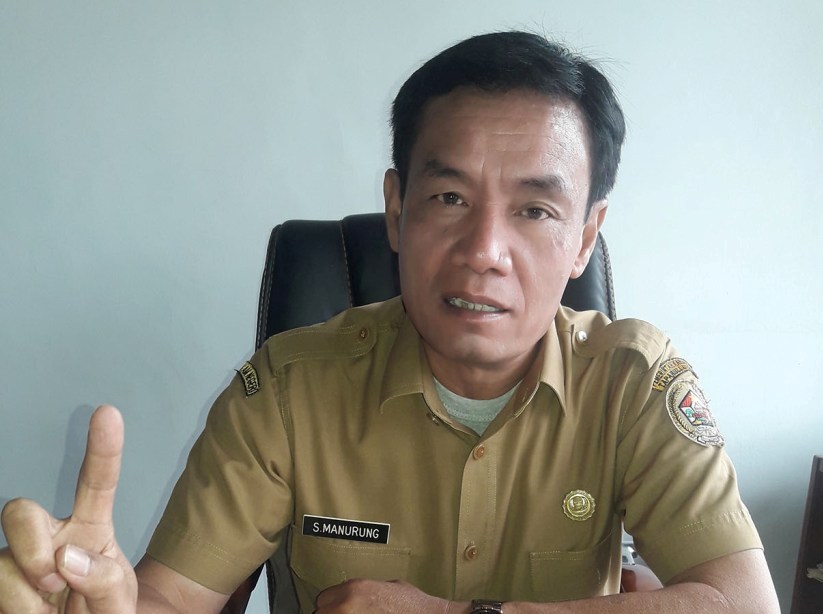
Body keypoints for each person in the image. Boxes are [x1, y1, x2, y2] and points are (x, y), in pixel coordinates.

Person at [0, 31, 780, 613]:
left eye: (535, 210)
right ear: (396, 210)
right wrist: (92, 604)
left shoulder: (634, 384)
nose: (484, 251)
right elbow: (170, 601)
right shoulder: (288, 391)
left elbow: (744, 603)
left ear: (584, 237)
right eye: (449, 198)